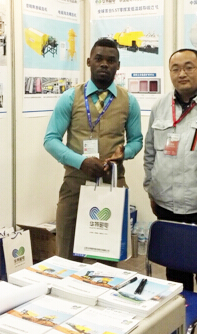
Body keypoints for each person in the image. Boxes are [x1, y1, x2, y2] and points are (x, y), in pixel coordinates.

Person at [143, 48, 197, 334]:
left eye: (189, 67)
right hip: (168, 206)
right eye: (175, 68)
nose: (182, 73)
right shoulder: (160, 106)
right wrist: (151, 188)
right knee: (175, 277)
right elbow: (150, 151)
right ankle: (178, 325)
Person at [44, 38, 143, 261]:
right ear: (89, 61)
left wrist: (123, 154)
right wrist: (81, 162)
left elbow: (137, 141)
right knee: (67, 258)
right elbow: (51, 140)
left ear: (118, 65)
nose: (104, 64)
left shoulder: (129, 101)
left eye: (111, 60)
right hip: (75, 186)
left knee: (106, 262)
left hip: (112, 184)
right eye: (99, 59)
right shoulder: (70, 97)